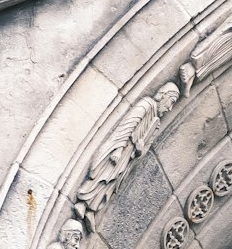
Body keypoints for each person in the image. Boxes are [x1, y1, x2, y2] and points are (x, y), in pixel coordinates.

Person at [75, 83, 179, 227]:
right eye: (171, 102)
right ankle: (83, 202)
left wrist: (140, 150)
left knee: (112, 183)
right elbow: (127, 126)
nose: (170, 108)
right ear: (163, 95)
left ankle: (92, 210)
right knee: (104, 175)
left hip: (129, 156)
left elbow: (146, 147)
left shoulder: (157, 123)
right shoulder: (146, 105)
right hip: (123, 148)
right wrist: (118, 149)